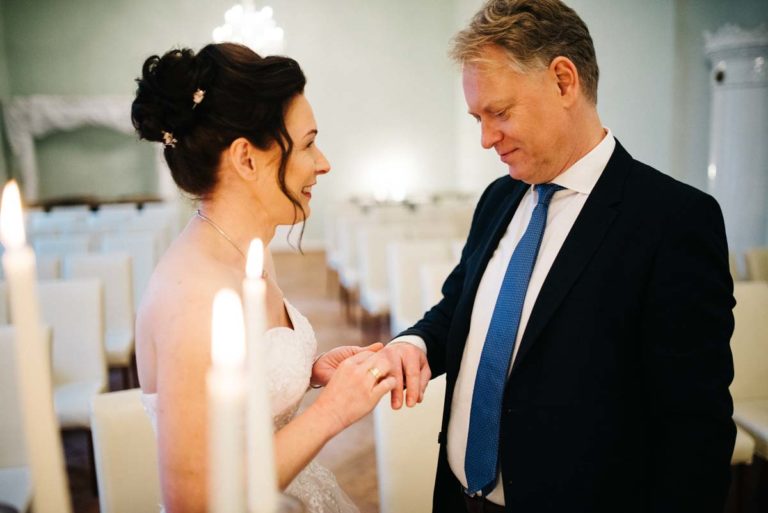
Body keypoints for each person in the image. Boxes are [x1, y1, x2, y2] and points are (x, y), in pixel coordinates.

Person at [376, 1, 737, 512]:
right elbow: (459, 309)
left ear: (564, 81)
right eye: (478, 118)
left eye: (499, 112)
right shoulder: (499, 198)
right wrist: (412, 344)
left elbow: (694, 430)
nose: (485, 139)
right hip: (457, 496)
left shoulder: (672, 220)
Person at [131, 43, 396, 513]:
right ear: (247, 159)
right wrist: (332, 412)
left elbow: (241, 397)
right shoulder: (193, 298)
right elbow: (195, 503)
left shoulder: (248, 251)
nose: (324, 162)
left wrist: (307, 374)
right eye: (309, 143)